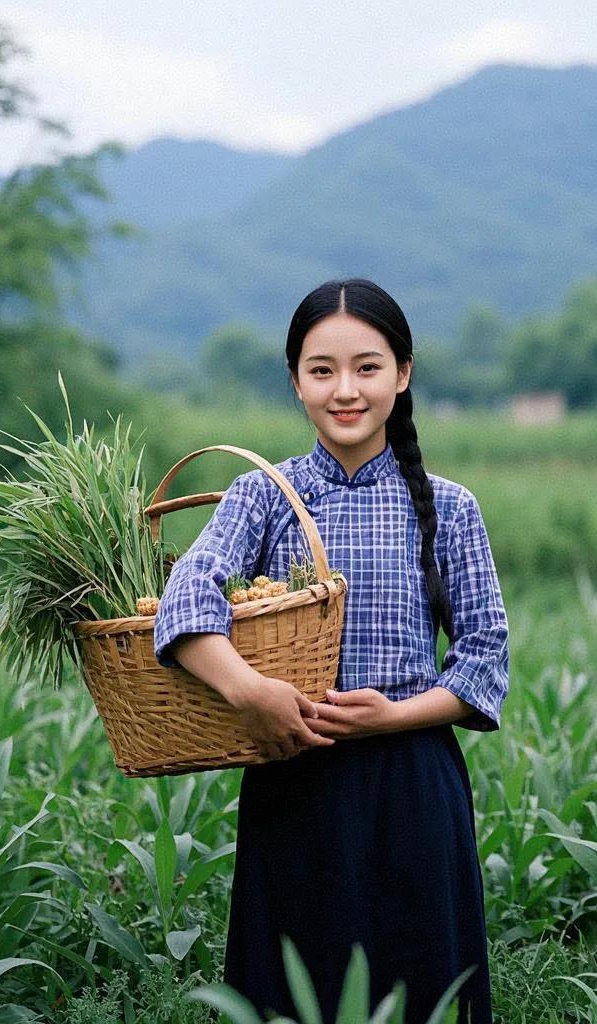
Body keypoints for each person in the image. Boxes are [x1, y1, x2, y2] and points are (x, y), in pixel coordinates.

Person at [153, 278, 510, 1023]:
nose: (345, 390)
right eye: (322, 371)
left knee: (420, 993)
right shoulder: (262, 495)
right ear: (296, 382)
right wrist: (250, 692)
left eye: (367, 367)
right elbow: (187, 596)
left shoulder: (450, 507)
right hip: (293, 775)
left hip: (413, 783)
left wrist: (392, 717)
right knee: (294, 995)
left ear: (403, 373)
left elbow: (483, 663)